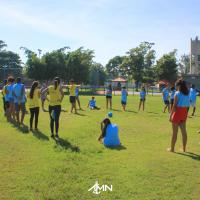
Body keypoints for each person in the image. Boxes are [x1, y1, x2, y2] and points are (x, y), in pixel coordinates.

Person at [168, 79, 190, 152]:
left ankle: (172, 149)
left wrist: (170, 115)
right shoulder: (187, 93)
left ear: (179, 86)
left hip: (177, 113)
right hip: (184, 113)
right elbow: (187, 106)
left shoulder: (177, 93)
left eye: (176, 85)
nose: (175, 86)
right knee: (184, 132)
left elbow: (174, 106)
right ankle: (184, 148)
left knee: (174, 132)